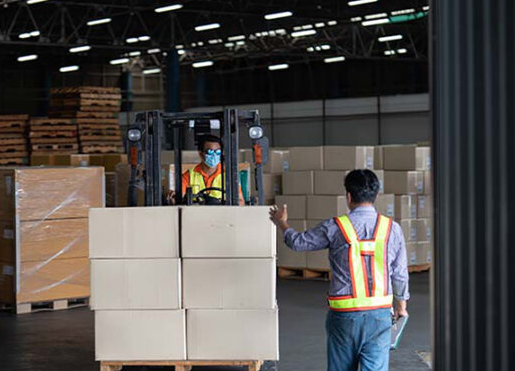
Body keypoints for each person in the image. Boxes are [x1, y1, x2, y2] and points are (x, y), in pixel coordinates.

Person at [269, 169, 408, 371]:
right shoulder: (392, 229)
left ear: (349, 196)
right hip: (380, 316)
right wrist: (401, 306)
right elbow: (400, 273)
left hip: (344, 316)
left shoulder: (335, 227)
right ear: (376, 195)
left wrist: (282, 223)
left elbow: (298, 243)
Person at [169, 134, 244, 205]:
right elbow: (179, 200)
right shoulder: (188, 176)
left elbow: (240, 201)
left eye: (218, 152)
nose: (214, 155)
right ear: (201, 154)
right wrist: (174, 199)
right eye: (210, 152)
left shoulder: (229, 177)